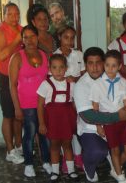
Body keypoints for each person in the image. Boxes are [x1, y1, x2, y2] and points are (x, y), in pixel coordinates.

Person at [73, 47, 126, 182]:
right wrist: (117, 116)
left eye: (98, 62)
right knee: (98, 151)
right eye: (90, 63)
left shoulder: (115, 77)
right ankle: (89, 167)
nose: (94, 67)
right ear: (85, 65)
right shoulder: (81, 85)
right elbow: (88, 116)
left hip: (115, 126)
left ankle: (114, 166)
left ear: (104, 63)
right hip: (91, 129)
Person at [9, 25, 51, 177]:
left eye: (32, 36)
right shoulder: (17, 57)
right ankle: (28, 164)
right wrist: (17, 108)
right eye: (25, 37)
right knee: (30, 134)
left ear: (37, 37)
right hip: (26, 104)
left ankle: (46, 162)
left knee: (44, 134)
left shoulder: (44, 55)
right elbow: (12, 85)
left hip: (44, 103)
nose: (29, 40)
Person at [90, 50, 126, 183]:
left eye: (114, 65)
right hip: (108, 121)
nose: (110, 68)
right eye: (107, 65)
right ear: (104, 65)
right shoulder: (97, 84)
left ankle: (115, 168)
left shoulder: (123, 82)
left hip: (122, 120)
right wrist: (98, 126)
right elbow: (95, 107)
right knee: (114, 149)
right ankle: (120, 176)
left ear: (119, 67)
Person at [0, 2, 24, 164]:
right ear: (4, 15)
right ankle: (9, 151)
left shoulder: (20, 28)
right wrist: (17, 39)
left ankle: (19, 146)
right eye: (10, 14)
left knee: (18, 115)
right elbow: (2, 55)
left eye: (17, 14)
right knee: (8, 115)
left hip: (18, 76)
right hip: (3, 76)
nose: (14, 17)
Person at [37, 54, 79, 182]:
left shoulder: (71, 84)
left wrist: (77, 119)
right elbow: (40, 106)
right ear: (49, 69)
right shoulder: (46, 84)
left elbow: (74, 103)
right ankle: (55, 171)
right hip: (53, 121)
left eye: (61, 67)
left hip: (67, 120)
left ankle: (71, 169)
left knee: (67, 144)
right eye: (54, 68)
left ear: (66, 68)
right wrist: (42, 123)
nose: (58, 71)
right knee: (54, 146)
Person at [53, 25, 85, 171]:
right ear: (59, 37)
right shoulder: (55, 56)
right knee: (64, 131)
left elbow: (85, 75)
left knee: (76, 128)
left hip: (78, 97)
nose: (69, 41)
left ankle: (78, 156)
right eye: (66, 37)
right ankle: (66, 159)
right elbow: (52, 78)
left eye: (72, 38)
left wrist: (75, 78)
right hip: (62, 101)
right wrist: (66, 78)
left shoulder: (78, 54)